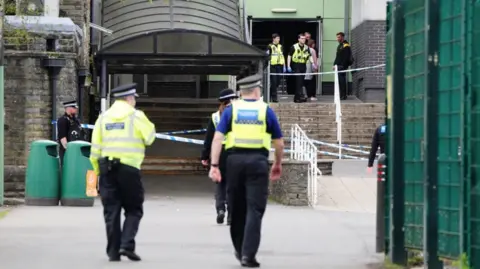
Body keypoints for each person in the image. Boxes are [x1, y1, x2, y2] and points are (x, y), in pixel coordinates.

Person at [208, 74, 284, 267]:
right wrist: (277, 163)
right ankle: (248, 255)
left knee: (237, 208)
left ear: (241, 92)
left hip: (234, 162)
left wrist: (214, 166)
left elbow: (218, 138)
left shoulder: (231, 110)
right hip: (258, 162)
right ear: (257, 91)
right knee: (255, 209)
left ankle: (239, 248)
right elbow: (279, 142)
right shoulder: (265, 110)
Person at [89, 83, 156, 262]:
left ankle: (113, 252)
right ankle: (126, 244)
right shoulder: (136, 116)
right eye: (134, 99)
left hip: (106, 169)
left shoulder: (103, 118)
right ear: (129, 99)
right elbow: (150, 138)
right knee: (134, 209)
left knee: (111, 211)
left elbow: (94, 150)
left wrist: (97, 174)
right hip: (129, 169)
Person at [201, 88, 238, 225]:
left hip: (218, 154)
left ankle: (220, 209)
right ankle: (231, 215)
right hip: (233, 152)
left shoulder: (215, 116)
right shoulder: (238, 114)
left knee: (220, 183)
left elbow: (209, 138)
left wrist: (205, 156)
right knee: (232, 184)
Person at [57, 100, 86, 165]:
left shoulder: (76, 120)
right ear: (69, 108)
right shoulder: (62, 120)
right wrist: (69, 152)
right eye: (74, 108)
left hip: (77, 151)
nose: (76, 109)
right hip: (68, 152)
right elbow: (62, 138)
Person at [287, 34, 315, 103]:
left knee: (301, 82)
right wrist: (288, 66)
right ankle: (298, 97)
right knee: (299, 81)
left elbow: (309, 56)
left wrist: (313, 63)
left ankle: (297, 98)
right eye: (302, 38)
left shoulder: (306, 47)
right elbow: (289, 56)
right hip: (296, 65)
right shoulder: (294, 47)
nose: (303, 40)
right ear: (298, 39)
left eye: (304, 39)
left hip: (303, 65)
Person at [333, 32, 353, 100]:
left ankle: (343, 95)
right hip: (338, 66)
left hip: (342, 66)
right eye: (337, 37)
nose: (337, 39)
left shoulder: (345, 45)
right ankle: (341, 95)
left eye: (339, 37)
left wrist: (343, 66)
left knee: (342, 81)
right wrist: (334, 65)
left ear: (342, 37)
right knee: (339, 81)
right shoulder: (340, 46)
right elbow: (337, 57)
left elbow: (346, 57)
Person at [266, 33, 286, 103]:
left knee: (278, 81)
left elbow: (282, 56)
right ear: (273, 39)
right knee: (273, 82)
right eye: (277, 38)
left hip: (280, 65)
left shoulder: (281, 46)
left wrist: (284, 65)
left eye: (279, 38)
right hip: (273, 65)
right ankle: (274, 97)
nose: (278, 40)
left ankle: (270, 93)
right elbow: (267, 56)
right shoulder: (270, 46)